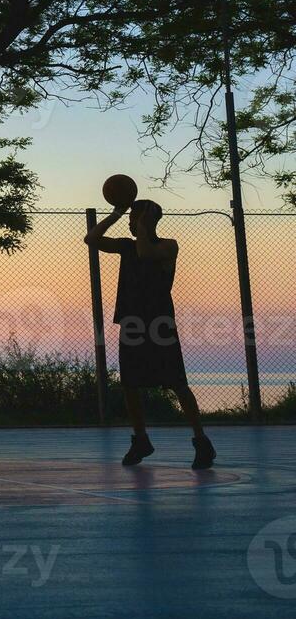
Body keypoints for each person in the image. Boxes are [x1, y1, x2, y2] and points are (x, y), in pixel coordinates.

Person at [86, 199, 216, 470]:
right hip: (131, 323)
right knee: (130, 385)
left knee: (177, 383)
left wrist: (143, 227)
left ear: (150, 220)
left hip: (159, 324)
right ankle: (141, 439)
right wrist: (116, 213)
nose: (131, 223)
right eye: (131, 218)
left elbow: (146, 254)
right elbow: (92, 238)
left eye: (135, 217)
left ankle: (202, 441)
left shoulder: (168, 245)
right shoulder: (127, 246)